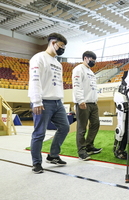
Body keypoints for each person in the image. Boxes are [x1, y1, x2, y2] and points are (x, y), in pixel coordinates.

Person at [28, 33, 69, 174]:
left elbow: (58, 84)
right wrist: (36, 101)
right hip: (43, 102)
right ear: (52, 43)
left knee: (65, 128)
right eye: (61, 46)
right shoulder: (38, 58)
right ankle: (36, 163)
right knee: (39, 133)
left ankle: (53, 156)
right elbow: (35, 80)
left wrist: (61, 100)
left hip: (57, 102)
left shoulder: (58, 63)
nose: (62, 49)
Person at [72, 51, 102, 161]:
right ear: (85, 58)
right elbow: (77, 85)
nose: (93, 62)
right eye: (91, 60)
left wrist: (95, 99)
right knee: (81, 128)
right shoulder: (78, 69)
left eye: (94, 60)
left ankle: (89, 146)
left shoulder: (91, 72)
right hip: (83, 103)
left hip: (93, 103)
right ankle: (81, 151)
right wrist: (80, 100)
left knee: (95, 124)